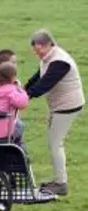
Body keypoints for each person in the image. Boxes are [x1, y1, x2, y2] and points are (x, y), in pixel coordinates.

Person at [24, 29, 84, 196]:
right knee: (54, 143)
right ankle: (58, 180)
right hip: (60, 106)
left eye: (38, 50)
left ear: (48, 44)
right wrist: (23, 89)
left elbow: (44, 85)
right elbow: (38, 77)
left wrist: (23, 97)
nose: (37, 54)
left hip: (67, 106)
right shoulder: (48, 57)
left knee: (55, 143)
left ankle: (60, 183)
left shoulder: (60, 62)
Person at [0, 62, 29, 145]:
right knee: (20, 127)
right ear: (12, 78)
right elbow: (22, 103)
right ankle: (23, 155)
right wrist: (20, 90)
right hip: (3, 132)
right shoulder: (11, 90)